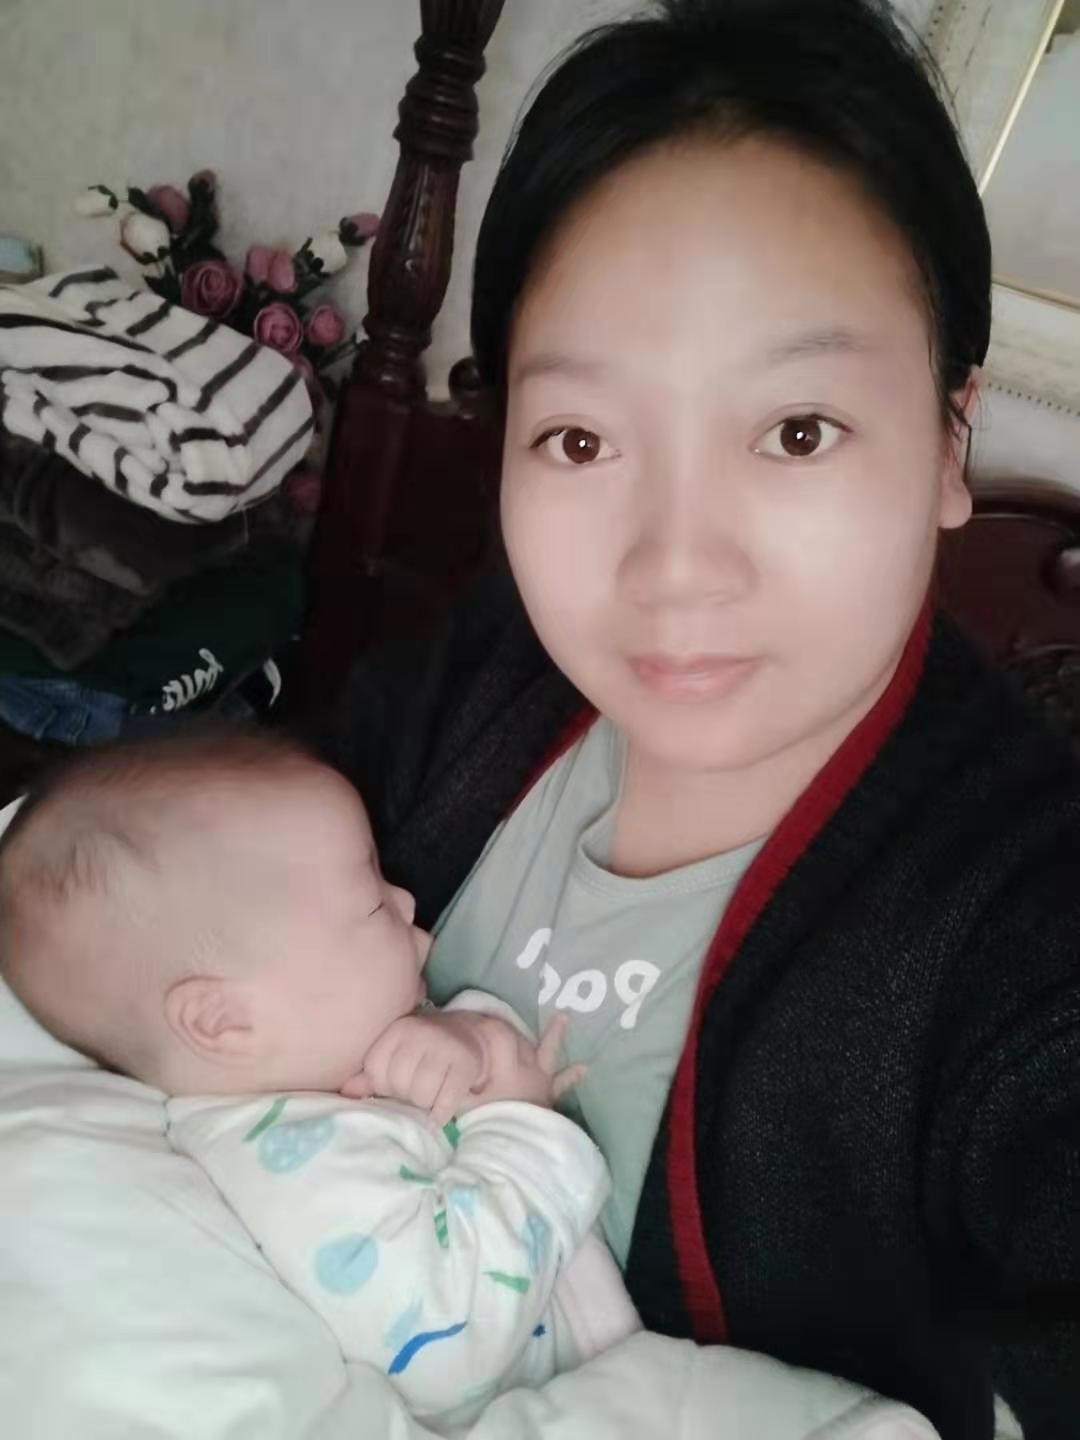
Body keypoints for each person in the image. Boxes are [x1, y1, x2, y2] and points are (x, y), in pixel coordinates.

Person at [316, 3, 1080, 1439]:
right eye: (581, 439)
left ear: (949, 437)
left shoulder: (1023, 916)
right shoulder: (482, 677)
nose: (673, 568)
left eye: (796, 431)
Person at [0, 729, 639, 1429]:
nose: (406, 900)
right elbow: (450, 1345)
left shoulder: (332, 1060)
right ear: (222, 1021)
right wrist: (522, 1131)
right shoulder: (296, 1172)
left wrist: (468, 1040)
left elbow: (474, 1089)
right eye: (371, 903)